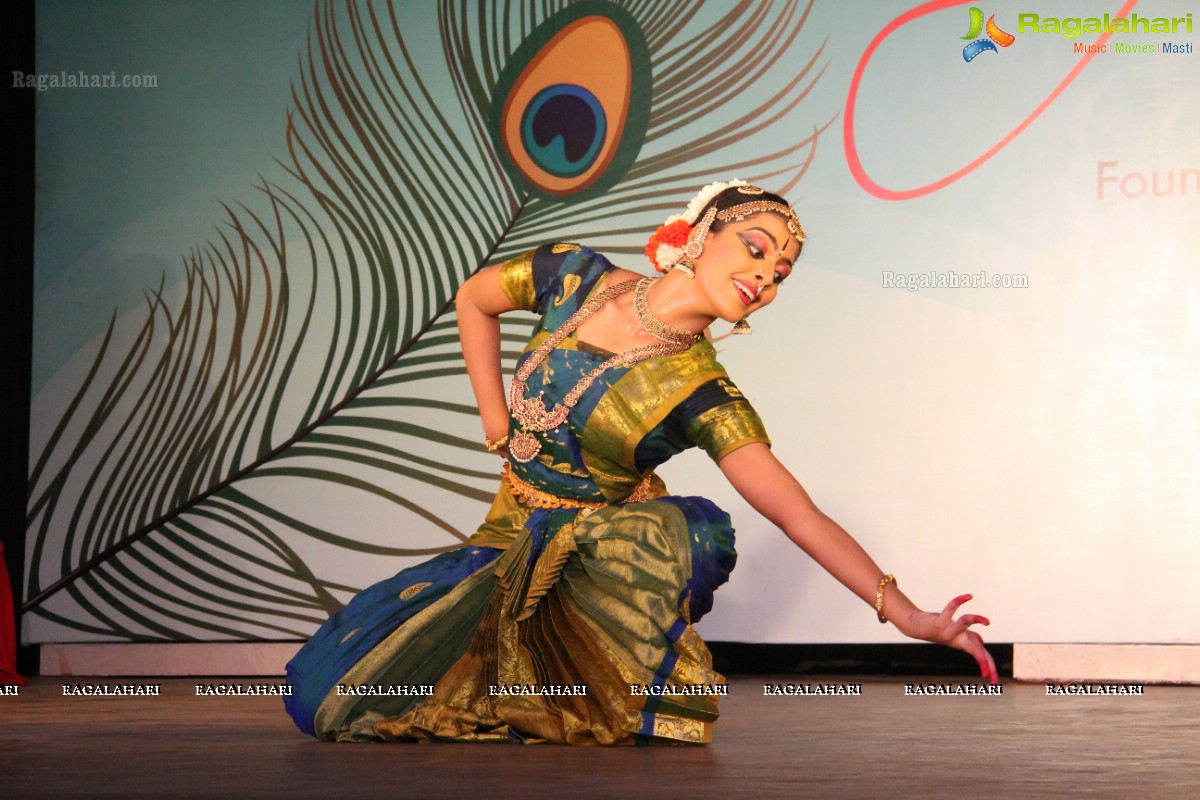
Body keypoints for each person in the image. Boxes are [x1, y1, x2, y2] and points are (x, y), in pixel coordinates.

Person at [284, 180, 997, 744]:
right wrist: (493, 416)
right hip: (505, 532)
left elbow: (797, 513)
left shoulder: (703, 392)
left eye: (780, 271)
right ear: (700, 235)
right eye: (754, 247)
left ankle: (586, 668)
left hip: (585, 561)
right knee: (338, 694)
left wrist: (904, 613)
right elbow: (475, 299)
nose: (766, 277)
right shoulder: (572, 275)